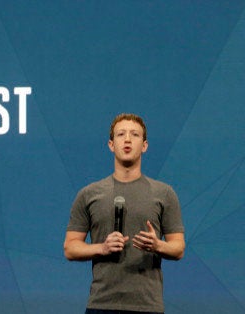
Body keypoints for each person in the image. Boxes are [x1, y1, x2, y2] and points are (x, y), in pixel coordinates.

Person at [64, 113, 185, 314]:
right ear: (111, 144)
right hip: (102, 304)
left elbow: (178, 247)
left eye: (134, 135)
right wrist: (102, 248)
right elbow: (70, 248)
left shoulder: (164, 194)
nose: (127, 139)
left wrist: (158, 245)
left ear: (144, 145)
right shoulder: (89, 194)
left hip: (147, 306)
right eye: (121, 134)